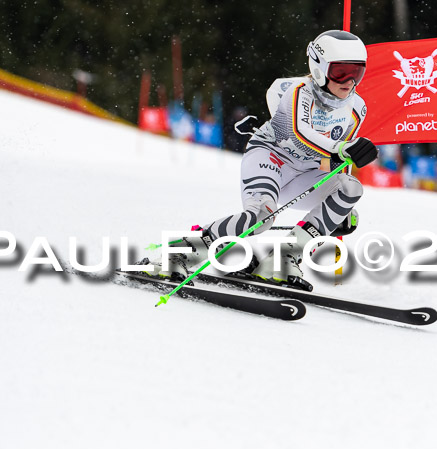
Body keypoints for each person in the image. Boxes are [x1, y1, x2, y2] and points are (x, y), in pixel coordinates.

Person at [147, 30, 378, 289]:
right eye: (340, 72)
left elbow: (334, 160)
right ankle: (178, 253)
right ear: (320, 68)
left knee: (350, 189)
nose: (349, 81)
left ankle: (282, 259)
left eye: (356, 72)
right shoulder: (299, 91)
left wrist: (336, 207)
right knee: (260, 218)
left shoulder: (357, 108)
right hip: (271, 158)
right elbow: (300, 133)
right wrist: (343, 148)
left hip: (305, 173)